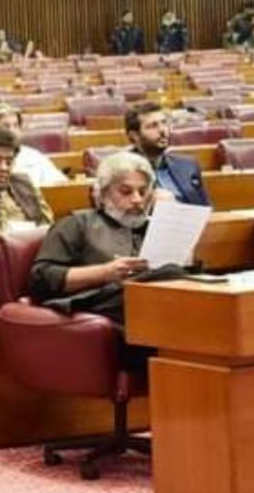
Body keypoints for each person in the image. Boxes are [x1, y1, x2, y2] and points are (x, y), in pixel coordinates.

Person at [28, 152, 162, 371]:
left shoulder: (153, 228)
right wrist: (105, 272)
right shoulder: (77, 223)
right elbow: (41, 278)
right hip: (96, 302)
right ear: (102, 194)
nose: (137, 200)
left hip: (145, 308)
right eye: (126, 191)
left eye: (142, 191)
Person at [0, 104, 68, 187]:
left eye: (16, 126)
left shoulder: (34, 155)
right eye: (6, 126)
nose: (12, 131)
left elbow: (60, 183)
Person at [126, 102, 209, 206]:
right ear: (134, 136)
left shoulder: (188, 165)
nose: (162, 130)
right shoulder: (122, 172)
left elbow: (205, 210)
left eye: (164, 123)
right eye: (153, 126)